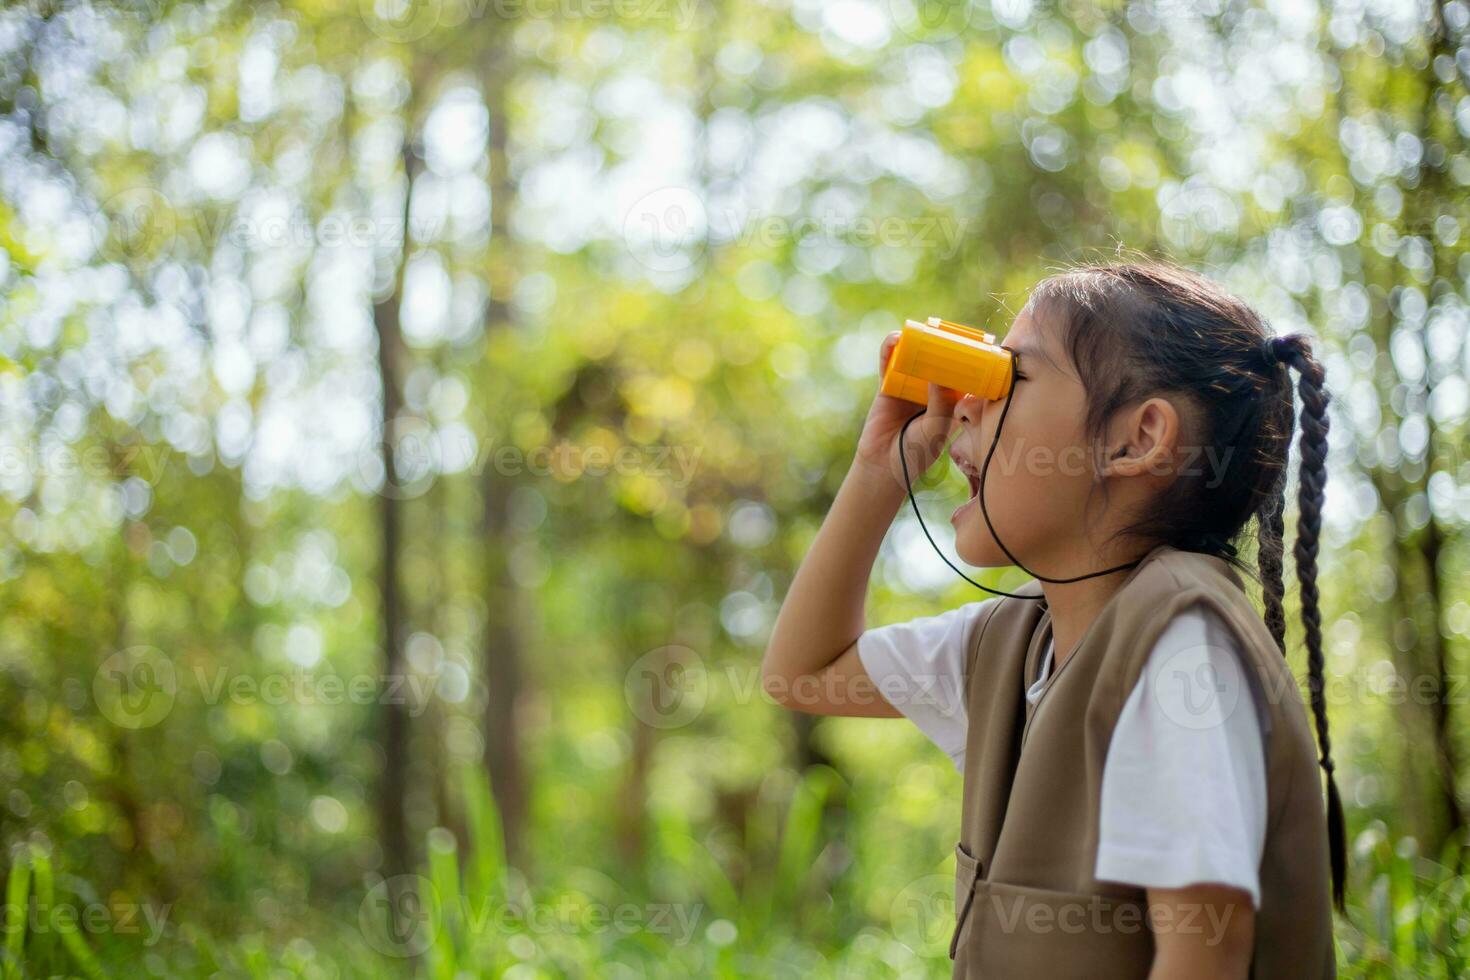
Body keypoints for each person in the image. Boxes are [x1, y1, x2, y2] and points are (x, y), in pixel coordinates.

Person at [761, 259, 1340, 978]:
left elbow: (1206, 954)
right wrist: (879, 468)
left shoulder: (1183, 644)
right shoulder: (1010, 643)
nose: (965, 406)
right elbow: (804, 675)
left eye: (1012, 378)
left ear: (1137, 439)